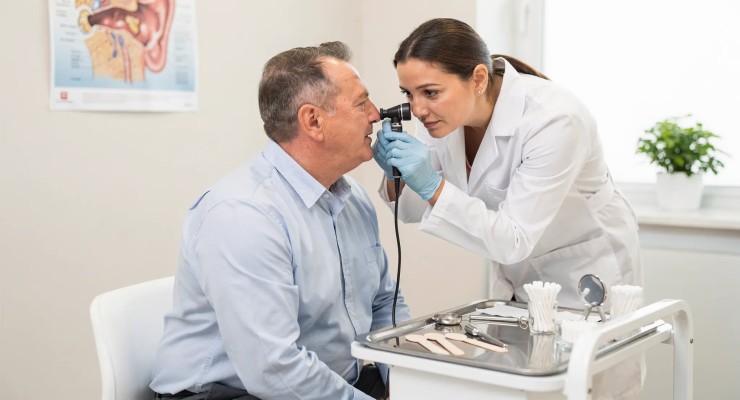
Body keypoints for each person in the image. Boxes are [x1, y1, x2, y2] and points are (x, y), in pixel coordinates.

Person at [150, 41, 410, 400]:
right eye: (361, 102)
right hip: (234, 393)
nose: (376, 114)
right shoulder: (244, 215)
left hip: (328, 382)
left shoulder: (354, 200)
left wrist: (404, 382)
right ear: (313, 121)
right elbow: (273, 369)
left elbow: (384, 305)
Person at [373, 18, 642, 309]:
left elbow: (514, 239)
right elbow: (415, 209)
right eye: (408, 93)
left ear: (478, 79)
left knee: (582, 340)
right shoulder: (441, 118)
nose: (417, 109)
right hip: (514, 269)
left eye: (430, 92)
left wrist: (430, 183)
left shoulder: (555, 120)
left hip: (583, 270)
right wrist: (397, 175)